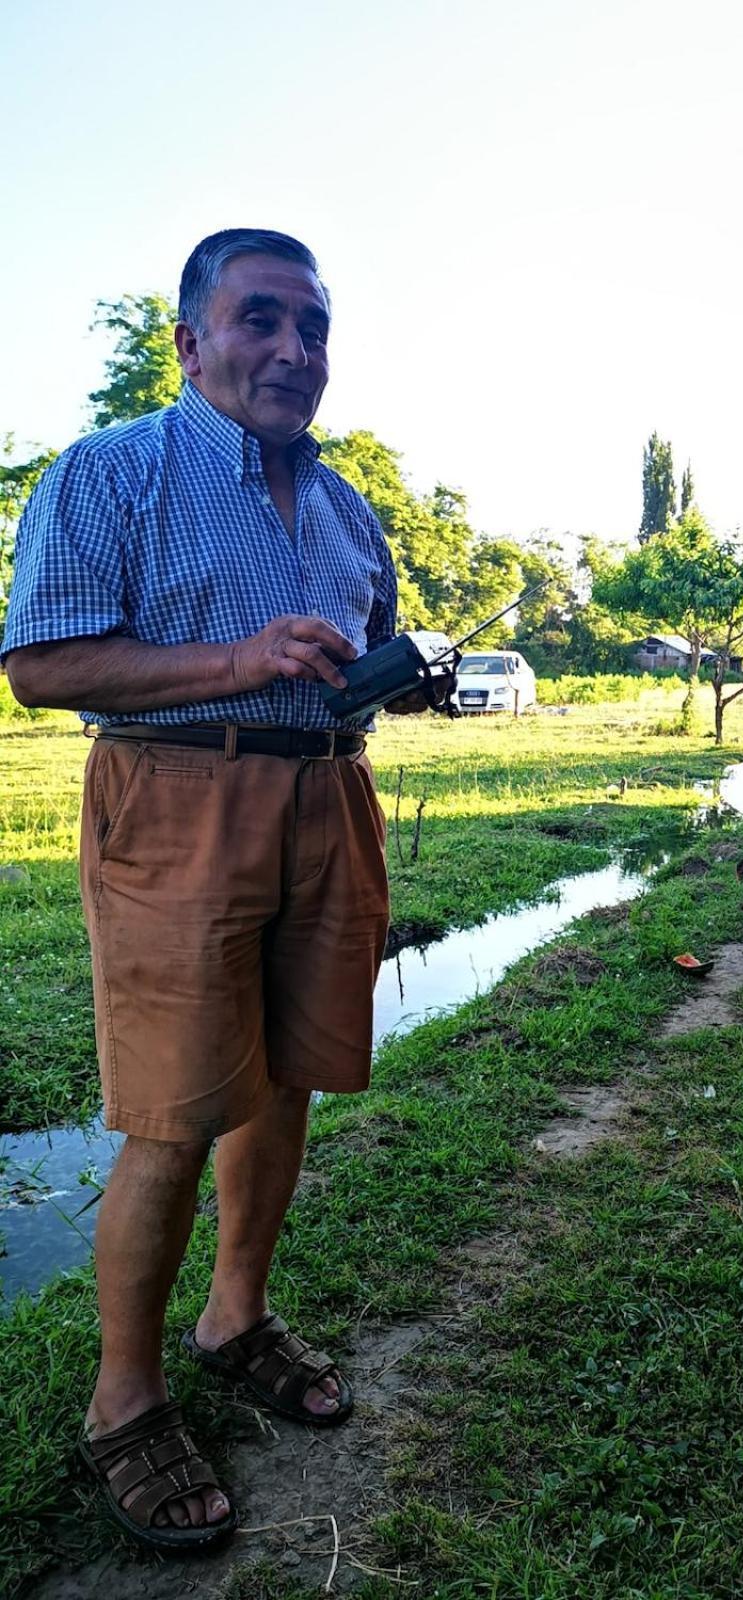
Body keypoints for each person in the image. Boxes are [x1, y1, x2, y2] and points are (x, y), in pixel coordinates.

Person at [2, 228, 435, 1551]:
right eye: (261, 320)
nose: (294, 351)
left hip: (329, 794)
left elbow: (350, 651)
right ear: (190, 342)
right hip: (177, 800)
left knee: (287, 1078)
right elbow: (44, 668)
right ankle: (121, 1398)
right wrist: (237, 660)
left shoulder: (352, 506)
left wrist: (388, 680)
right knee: (176, 1114)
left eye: (313, 328)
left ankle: (234, 1314)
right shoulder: (112, 473)